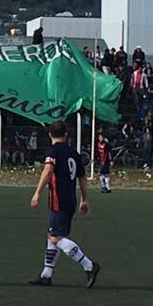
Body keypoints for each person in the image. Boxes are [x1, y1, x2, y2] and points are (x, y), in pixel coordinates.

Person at [28, 122, 101, 288]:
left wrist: (37, 192)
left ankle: (89, 266)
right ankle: (46, 275)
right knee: (51, 236)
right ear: (66, 134)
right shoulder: (73, 152)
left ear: (50, 135)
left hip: (58, 199)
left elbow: (47, 171)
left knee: (56, 237)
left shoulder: (53, 151)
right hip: (70, 199)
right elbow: (82, 177)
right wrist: (84, 198)